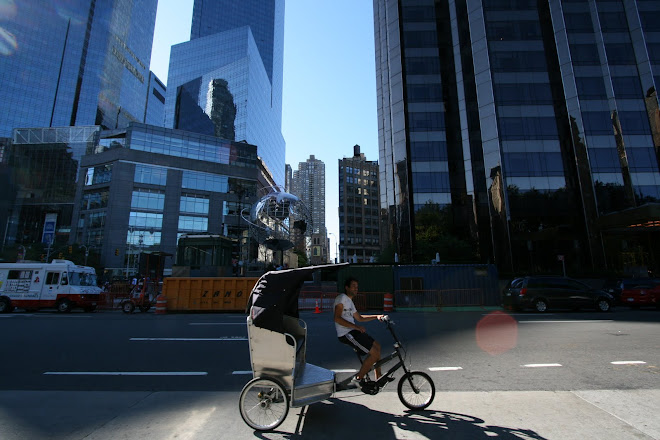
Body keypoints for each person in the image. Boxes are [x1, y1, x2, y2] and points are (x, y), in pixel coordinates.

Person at [334, 277, 389, 385]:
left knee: (377, 346)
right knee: (374, 353)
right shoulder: (342, 298)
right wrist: (356, 327)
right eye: (353, 286)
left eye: (357, 287)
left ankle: (378, 377)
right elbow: (337, 318)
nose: (356, 288)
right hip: (346, 334)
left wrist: (376, 316)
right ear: (347, 287)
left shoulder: (349, 301)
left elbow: (359, 318)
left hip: (353, 331)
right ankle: (358, 379)